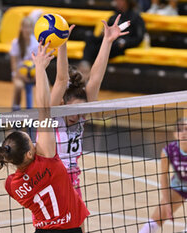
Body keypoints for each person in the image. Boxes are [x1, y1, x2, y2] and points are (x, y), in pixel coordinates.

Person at [0, 41, 90, 232]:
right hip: (70, 227)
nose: (34, 140)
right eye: (31, 141)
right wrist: (40, 68)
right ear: (29, 154)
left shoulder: (11, 185)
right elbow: (44, 109)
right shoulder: (48, 157)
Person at [50, 15, 129, 232]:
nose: (75, 115)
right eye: (72, 109)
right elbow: (60, 79)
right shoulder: (53, 114)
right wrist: (62, 44)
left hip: (72, 179)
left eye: (79, 110)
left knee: (79, 228)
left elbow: (95, 78)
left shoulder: (82, 114)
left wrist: (107, 41)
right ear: (62, 103)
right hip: (49, 180)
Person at [139, 118, 187, 233]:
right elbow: (164, 177)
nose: (184, 132)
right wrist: (166, 202)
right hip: (178, 186)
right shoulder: (168, 151)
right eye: (180, 130)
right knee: (156, 219)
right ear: (175, 134)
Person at [79, 0, 145, 80]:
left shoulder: (136, 17)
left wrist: (125, 42)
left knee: (103, 47)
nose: (117, 2)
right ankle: (86, 63)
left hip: (121, 44)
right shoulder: (114, 16)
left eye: (120, 1)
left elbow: (139, 38)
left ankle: (87, 67)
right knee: (90, 38)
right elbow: (105, 31)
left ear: (127, 2)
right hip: (110, 40)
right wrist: (104, 32)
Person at [10, 16, 39, 111]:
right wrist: (20, 75)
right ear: (21, 28)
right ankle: (16, 109)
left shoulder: (36, 44)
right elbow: (14, 65)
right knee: (18, 86)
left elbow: (38, 63)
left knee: (42, 87)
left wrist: (35, 75)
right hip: (19, 75)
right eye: (25, 27)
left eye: (30, 27)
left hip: (33, 75)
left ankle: (33, 113)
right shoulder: (16, 43)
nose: (27, 30)